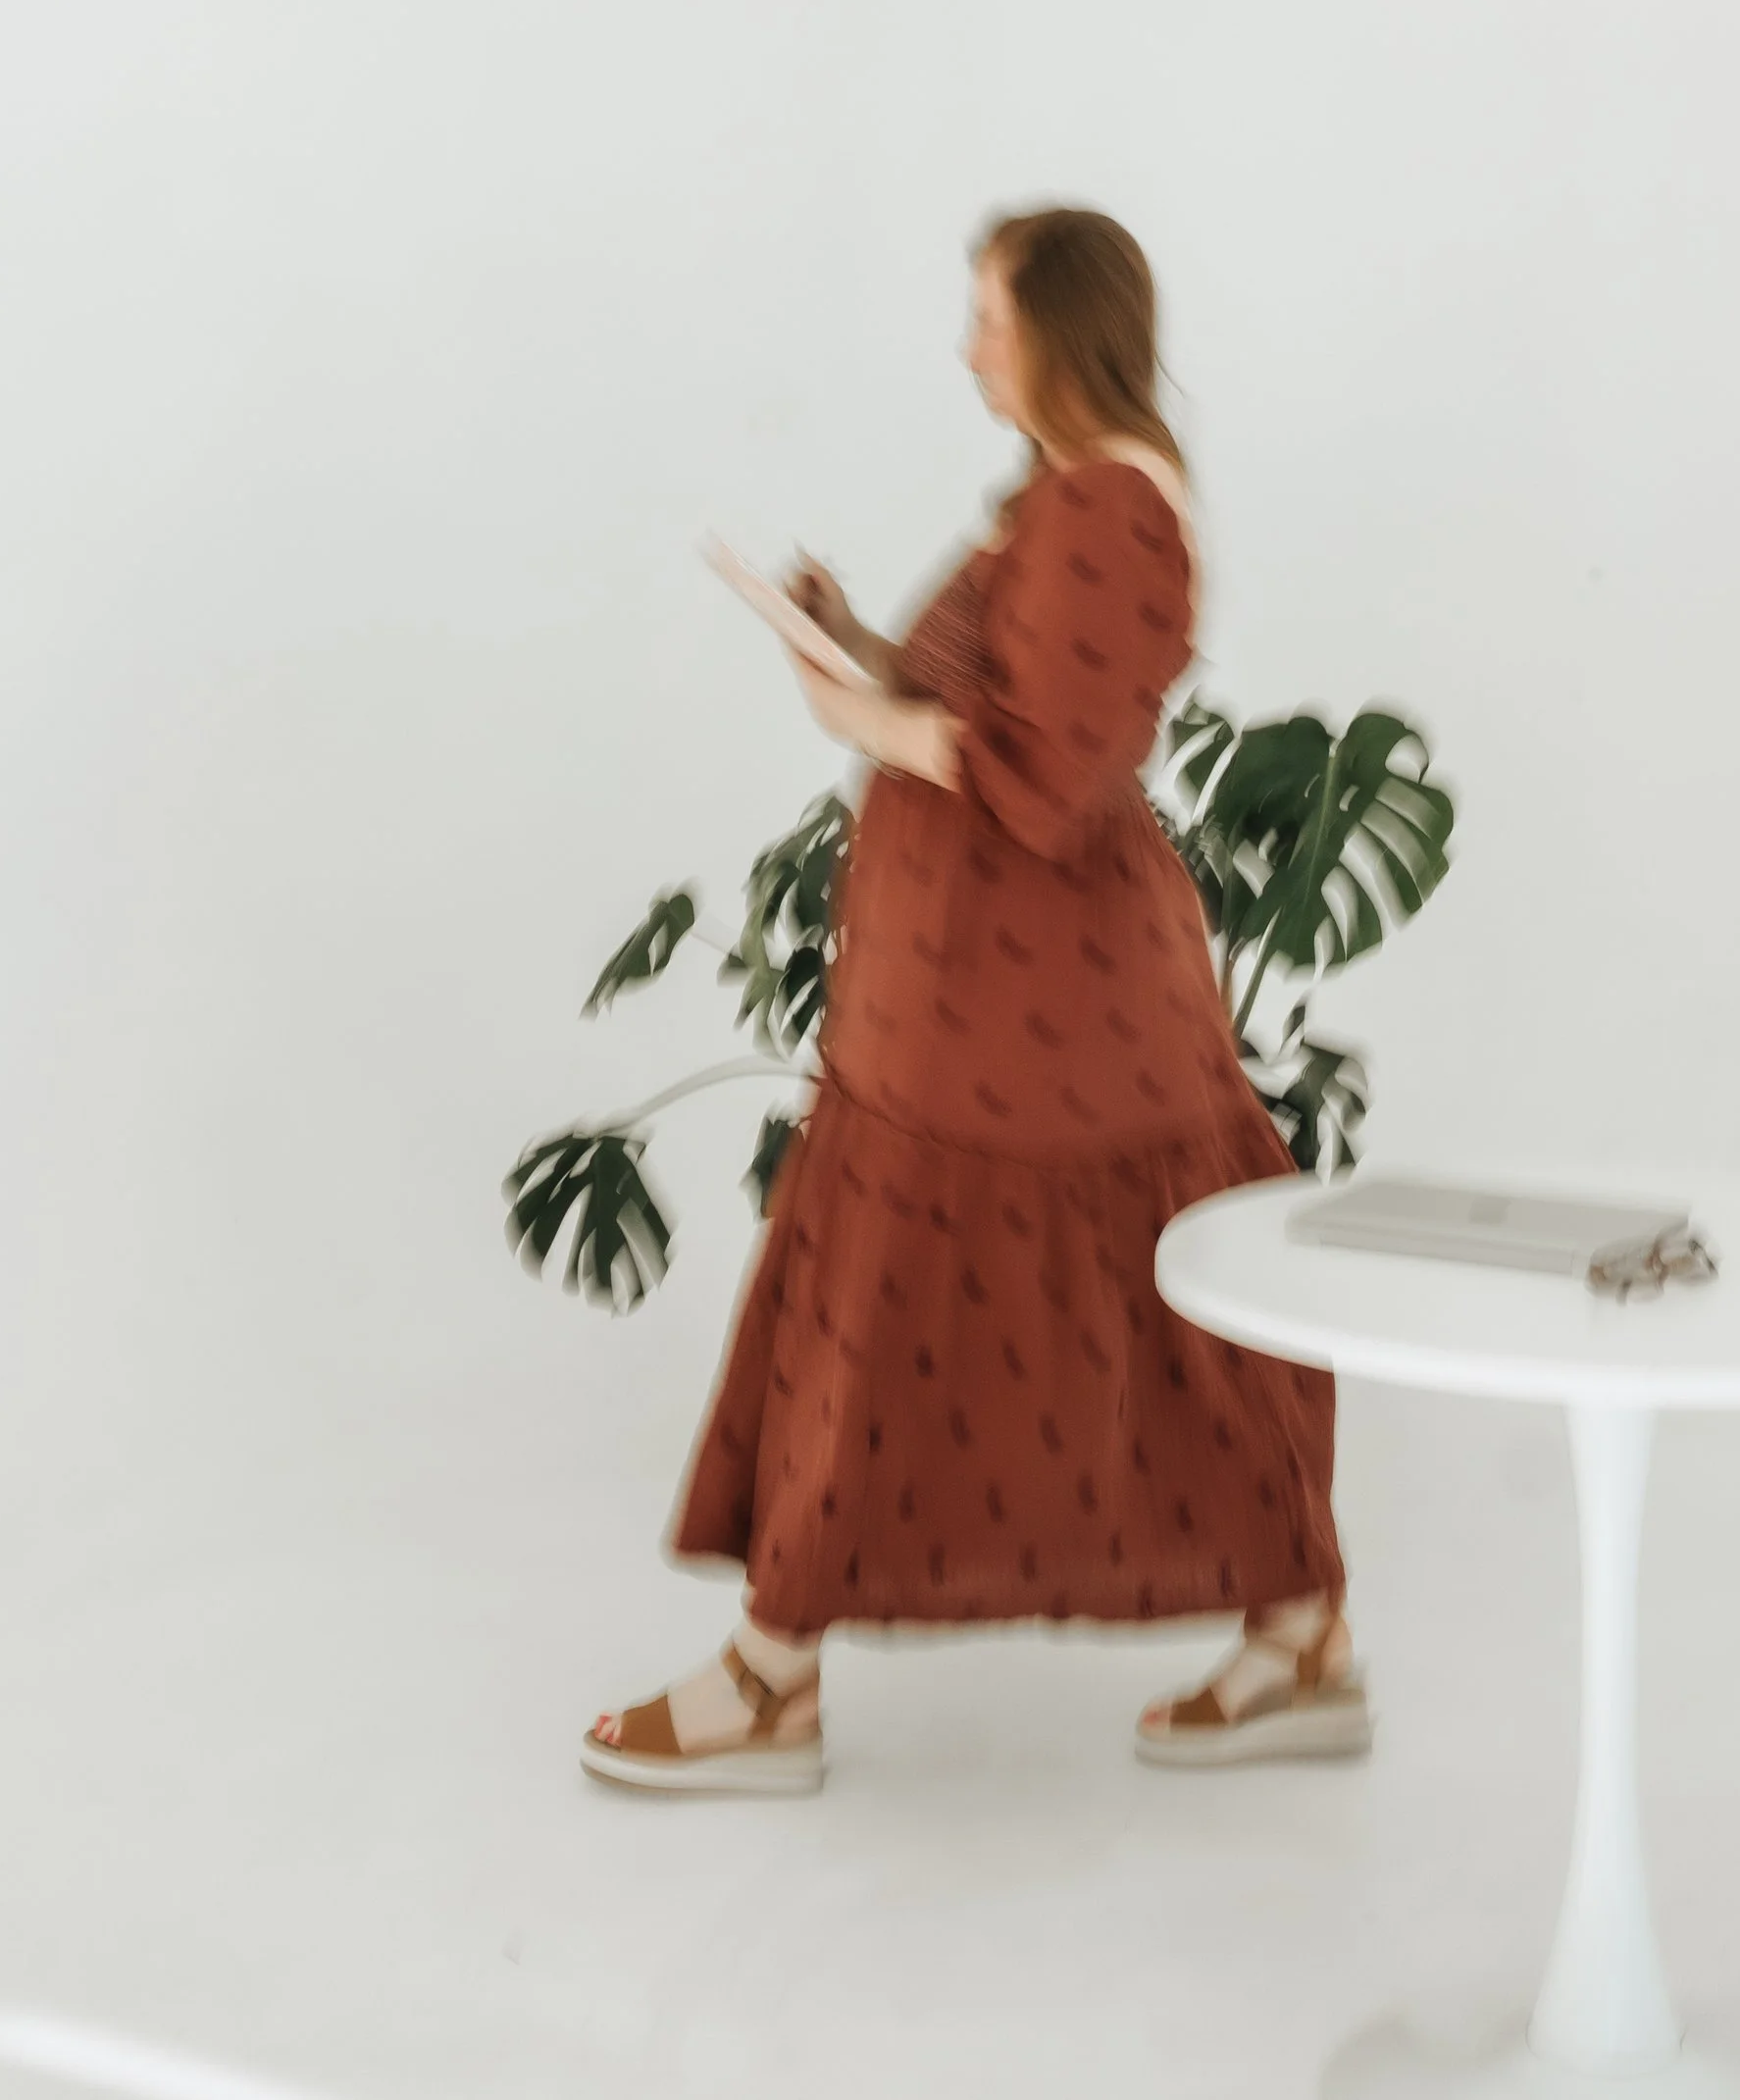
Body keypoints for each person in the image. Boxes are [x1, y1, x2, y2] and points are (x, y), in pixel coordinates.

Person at [582, 203, 1364, 1793]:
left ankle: (771, 1677)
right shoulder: (1068, 502)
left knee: (893, 1311)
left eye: (989, 320)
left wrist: (847, 711)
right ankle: (1298, 1638)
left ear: (1062, 332)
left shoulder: (1110, 512)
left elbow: (1044, 778)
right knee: (1101, 1308)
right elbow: (1004, 701)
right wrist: (858, 642)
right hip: (978, 1004)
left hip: (1029, 1023)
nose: (966, 349)